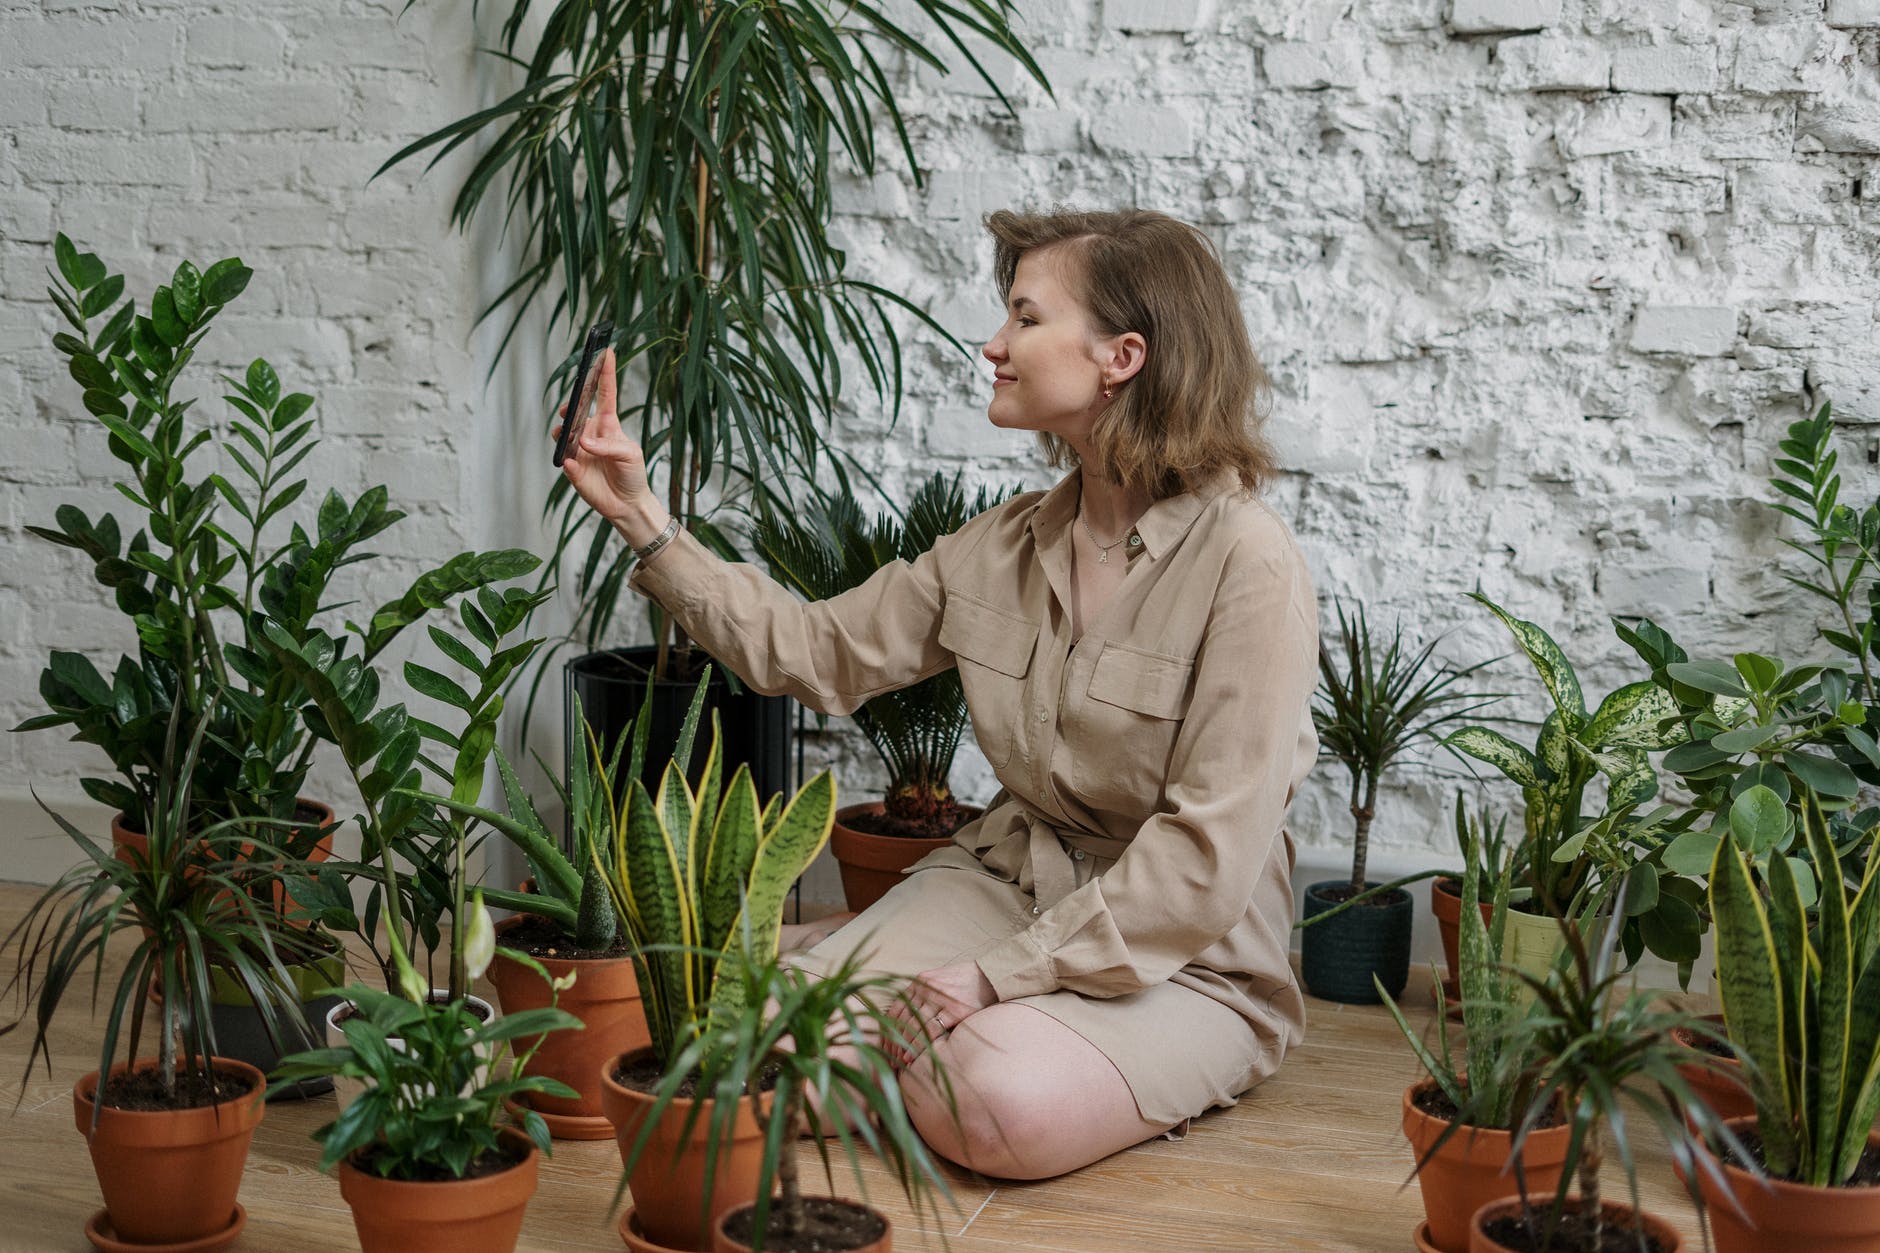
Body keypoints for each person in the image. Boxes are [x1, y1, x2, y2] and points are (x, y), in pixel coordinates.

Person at [557, 207, 1319, 1181]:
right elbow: (813, 651)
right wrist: (643, 517)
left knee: (996, 1099)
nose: (993, 344)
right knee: (732, 1036)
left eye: (1024, 318)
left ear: (1120, 354)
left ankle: (905, 991)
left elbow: (1202, 859)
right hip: (1006, 885)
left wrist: (989, 981)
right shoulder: (998, 545)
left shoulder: (1247, 562)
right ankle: (876, 984)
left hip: (1186, 950)